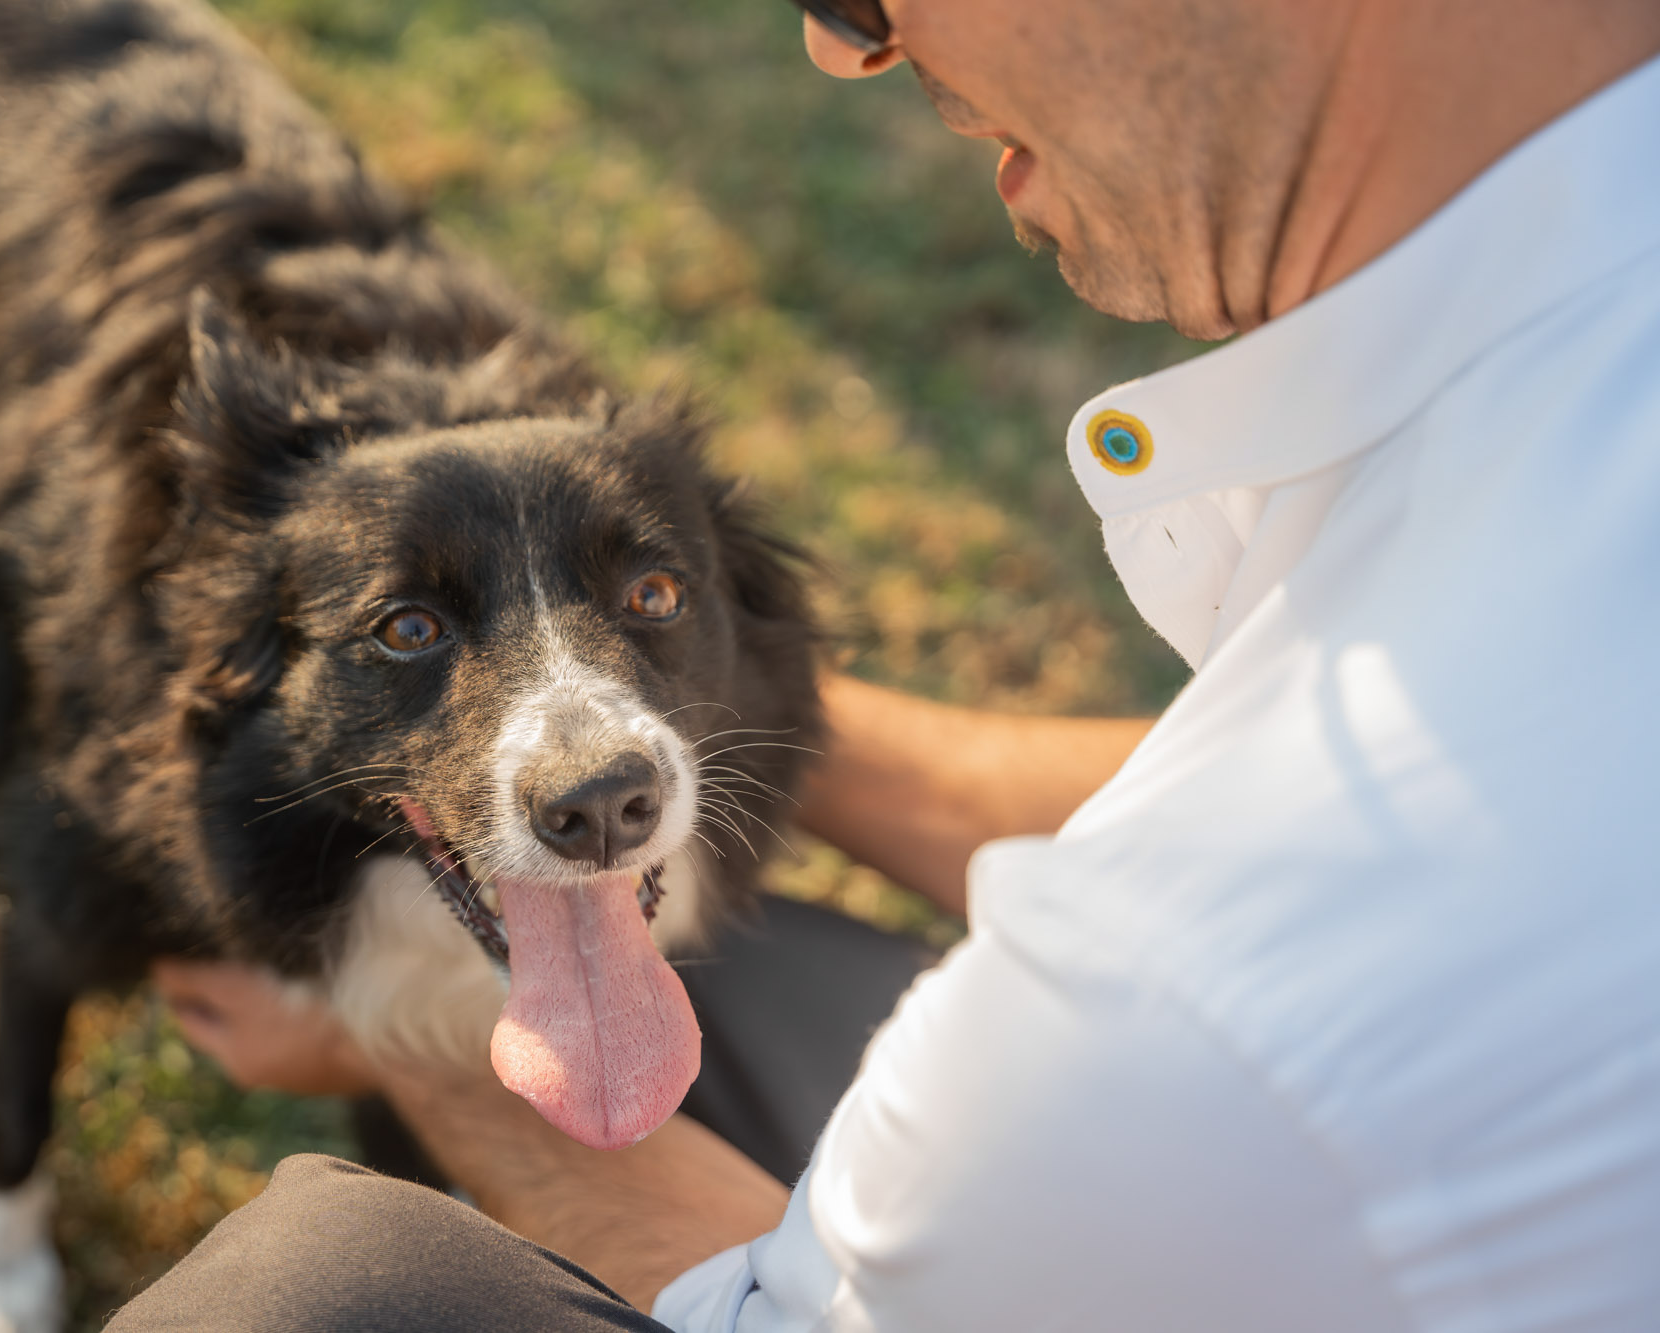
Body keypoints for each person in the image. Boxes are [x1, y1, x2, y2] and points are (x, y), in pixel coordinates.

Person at [117, 0, 1660, 1327]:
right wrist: (686, 678)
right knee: (750, 951)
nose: (839, 43)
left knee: (310, 1293)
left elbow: (793, 1312)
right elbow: (1325, 786)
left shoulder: (1194, 1010)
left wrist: (408, 1044)